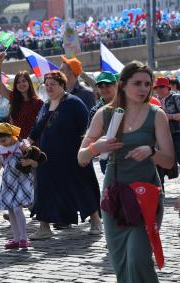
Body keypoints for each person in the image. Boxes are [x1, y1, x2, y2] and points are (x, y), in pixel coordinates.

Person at [78, 61, 174, 282]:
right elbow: (81, 157)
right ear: (122, 84)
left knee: (139, 257)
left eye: (147, 84)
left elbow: (169, 162)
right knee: (121, 260)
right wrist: (96, 147)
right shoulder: (105, 114)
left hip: (146, 193)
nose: (143, 89)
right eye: (137, 83)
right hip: (115, 195)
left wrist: (151, 151)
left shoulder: (156, 114)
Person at [28, 71, 101, 240]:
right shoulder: (46, 104)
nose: (49, 88)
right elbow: (38, 127)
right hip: (47, 157)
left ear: (63, 85)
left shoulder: (74, 103)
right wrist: (28, 140)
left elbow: (86, 130)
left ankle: (96, 221)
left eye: (53, 84)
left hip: (72, 155)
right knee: (44, 190)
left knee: (81, 187)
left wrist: (86, 152)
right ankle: (44, 227)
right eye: (46, 85)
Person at [0, 123, 37, 250]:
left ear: (12, 136)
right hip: (8, 182)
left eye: (4, 140)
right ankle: (16, 238)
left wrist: (30, 161)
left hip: (22, 181)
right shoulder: (0, 148)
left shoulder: (22, 146)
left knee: (16, 208)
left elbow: (37, 161)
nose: (2, 143)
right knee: (10, 209)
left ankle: (24, 238)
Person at [0, 52, 43, 139]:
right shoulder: (13, 97)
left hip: (33, 143)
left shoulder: (38, 102)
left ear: (29, 83)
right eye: (18, 82)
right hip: (16, 143)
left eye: (24, 81)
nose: (21, 84)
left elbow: (41, 125)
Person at [89, 71, 118, 173]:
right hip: (106, 157)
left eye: (108, 85)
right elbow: (90, 137)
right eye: (101, 86)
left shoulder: (126, 104)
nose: (104, 88)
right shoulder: (95, 110)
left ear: (116, 85)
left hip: (126, 153)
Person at [154, 77, 180, 164]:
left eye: (162, 87)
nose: (159, 89)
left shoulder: (176, 98)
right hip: (164, 136)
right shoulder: (155, 100)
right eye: (156, 87)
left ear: (168, 87)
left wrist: (170, 116)